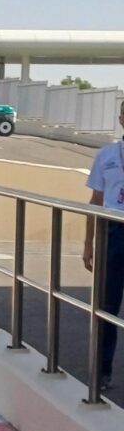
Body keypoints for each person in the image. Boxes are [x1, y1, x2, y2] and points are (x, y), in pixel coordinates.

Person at [83, 99, 124, 390]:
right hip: (113, 231)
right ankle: (102, 371)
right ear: (121, 119)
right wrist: (88, 243)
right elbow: (96, 201)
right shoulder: (107, 155)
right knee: (107, 306)